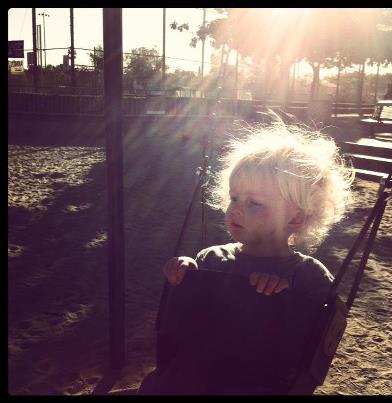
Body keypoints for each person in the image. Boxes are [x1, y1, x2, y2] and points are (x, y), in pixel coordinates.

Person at [138, 115, 355, 395]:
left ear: (296, 218)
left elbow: (311, 344)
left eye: (254, 202)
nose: (236, 209)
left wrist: (283, 296)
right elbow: (184, 321)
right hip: (196, 375)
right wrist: (184, 274)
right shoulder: (210, 259)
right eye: (234, 198)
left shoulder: (308, 276)